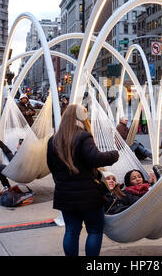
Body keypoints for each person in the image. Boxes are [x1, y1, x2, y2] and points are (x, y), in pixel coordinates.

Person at [46, 104, 119, 256]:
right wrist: (114, 154)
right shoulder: (83, 136)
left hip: (65, 195)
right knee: (94, 230)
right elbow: (95, 159)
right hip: (89, 196)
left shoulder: (53, 140)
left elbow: (51, 167)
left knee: (71, 231)